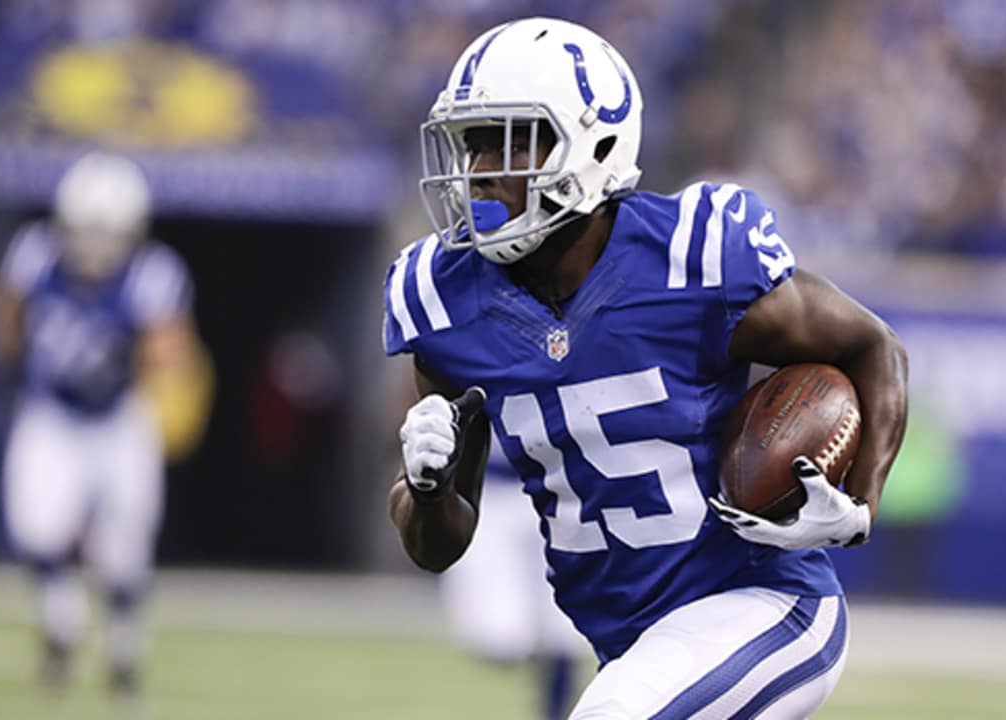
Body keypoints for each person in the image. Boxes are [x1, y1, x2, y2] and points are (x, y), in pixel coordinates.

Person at [386, 17, 908, 719]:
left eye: (508, 142)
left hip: (764, 603)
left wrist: (861, 505)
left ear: (592, 143)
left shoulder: (692, 258)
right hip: (633, 646)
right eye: (471, 145)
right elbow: (441, 545)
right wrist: (425, 487)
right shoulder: (446, 301)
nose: (480, 171)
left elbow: (873, 347)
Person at [0, 152, 206, 696]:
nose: (95, 245)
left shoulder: (153, 275)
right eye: (86, 229)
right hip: (53, 408)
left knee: (126, 540)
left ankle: (123, 644)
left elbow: (171, 353)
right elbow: (7, 318)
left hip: (119, 415)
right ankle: (61, 616)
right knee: (36, 523)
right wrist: (11, 366)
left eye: (108, 231)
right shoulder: (35, 255)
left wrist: (164, 366)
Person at [440, 436, 588, 720]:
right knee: (499, 640)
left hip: (561, 491)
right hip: (491, 490)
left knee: (564, 630)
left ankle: (555, 711)